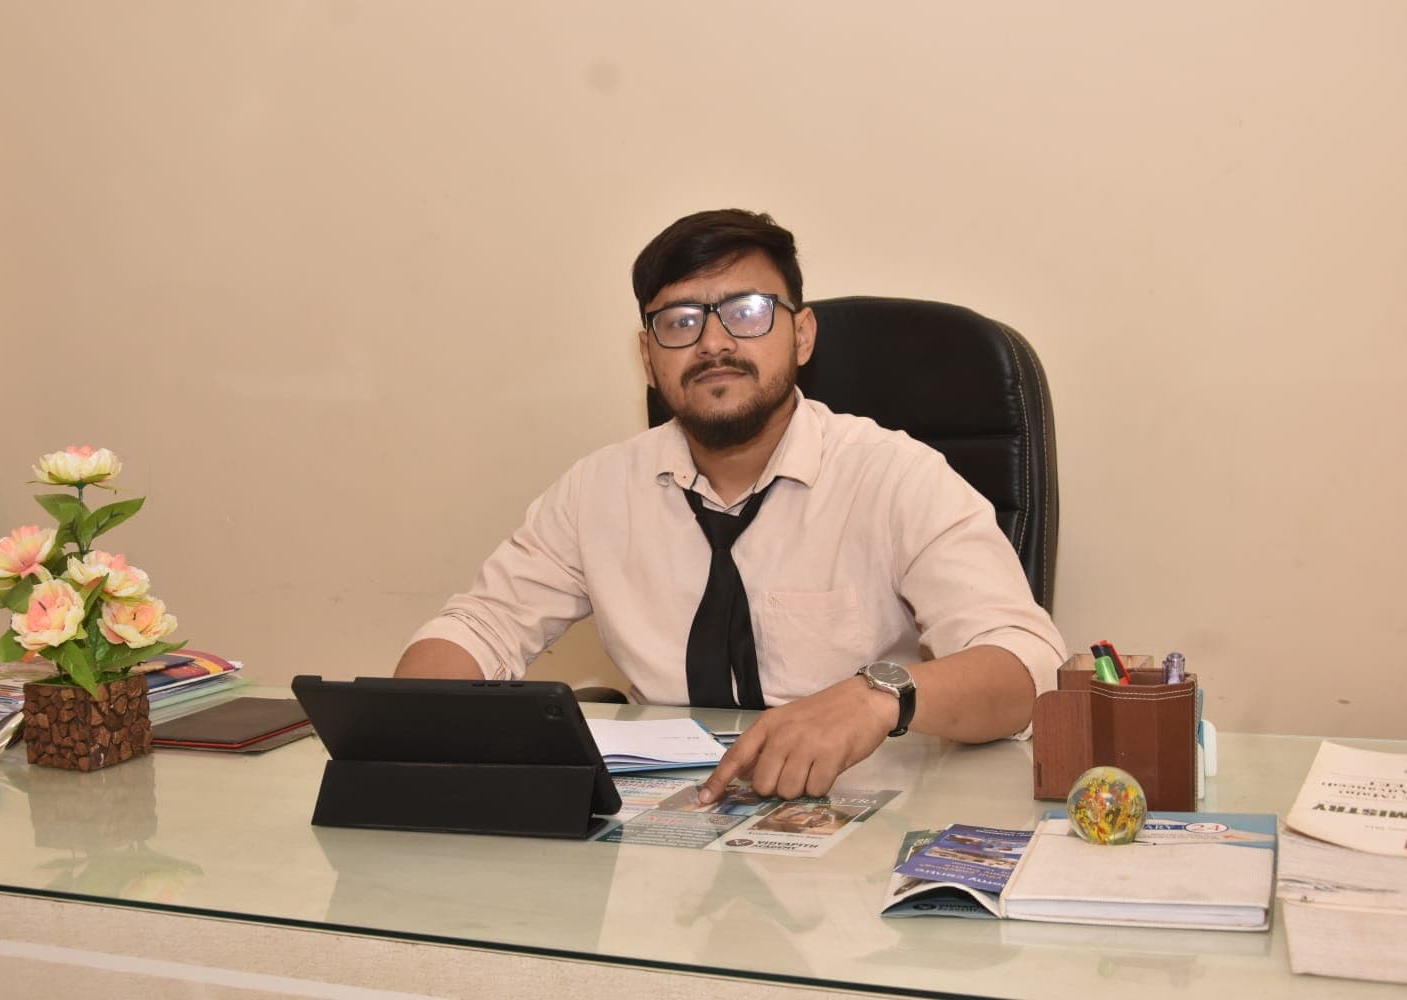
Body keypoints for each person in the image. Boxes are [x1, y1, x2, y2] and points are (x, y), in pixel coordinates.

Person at [396, 209, 1067, 802]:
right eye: (680, 321)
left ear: (802, 335)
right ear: (649, 357)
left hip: (861, 833)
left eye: (747, 312)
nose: (713, 343)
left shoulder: (895, 476)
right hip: (658, 839)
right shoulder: (597, 491)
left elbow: (1026, 665)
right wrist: (405, 724)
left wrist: (876, 696)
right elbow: (481, 628)